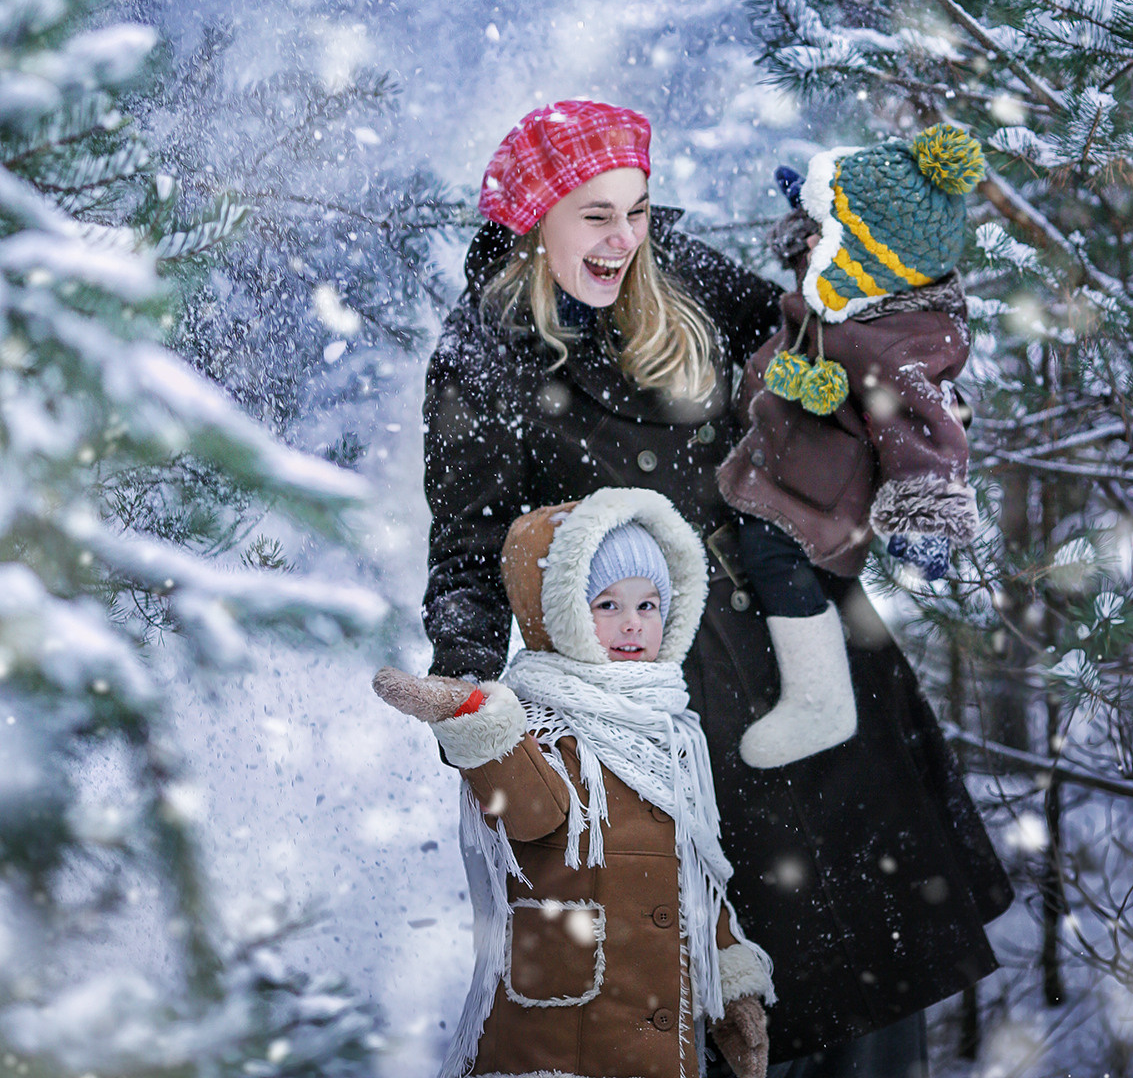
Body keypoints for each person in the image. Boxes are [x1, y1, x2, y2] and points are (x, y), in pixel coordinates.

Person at [422, 99, 1013, 1075]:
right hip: (656, 698)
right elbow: (470, 545)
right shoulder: (482, 356)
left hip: (801, 629)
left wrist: (899, 382)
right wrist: (467, 686)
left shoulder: (684, 276)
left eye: (637, 211)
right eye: (595, 216)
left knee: (872, 973)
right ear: (535, 219)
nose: (623, 241)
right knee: (732, 992)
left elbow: (817, 338)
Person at [377, 487, 773, 1078]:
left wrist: (730, 986)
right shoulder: (539, 723)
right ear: (557, 611)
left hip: (662, 1038)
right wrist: (474, 720)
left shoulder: (675, 734)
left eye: (649, 605)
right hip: (563, 1037)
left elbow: (694, 877)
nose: (633, 625)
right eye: (607, 605)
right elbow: (529, 812)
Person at [721, 126, 986, 770]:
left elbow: (928, 434)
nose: (809, 243)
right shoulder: (851, 294)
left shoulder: (890, 347)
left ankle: (820, 697)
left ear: (870, 260)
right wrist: (809, 218)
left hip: (817, 502)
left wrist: (927, 524)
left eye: (824, 235)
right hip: (790, 464)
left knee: (769, 552)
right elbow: (824, 244)